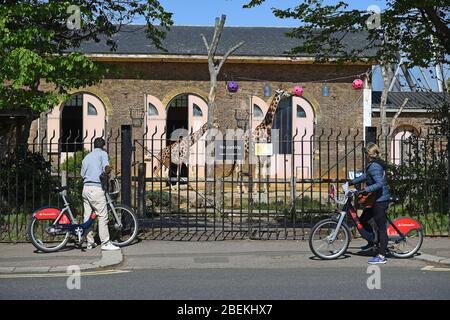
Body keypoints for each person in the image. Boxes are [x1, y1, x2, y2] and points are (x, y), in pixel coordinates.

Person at [349, 142, 391, 264]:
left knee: (381, 228)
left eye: (365, 153)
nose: (364, 155)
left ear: (369, 154)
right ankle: (372, 243)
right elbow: (366, 176)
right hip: (375, 199)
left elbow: (379, 184)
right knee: (363, 220)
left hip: (380, 200)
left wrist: (364, 190)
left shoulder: (375, 166)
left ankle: (382, 256)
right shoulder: (373, 164)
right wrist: (351, 182)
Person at [80, 138, 119, 251]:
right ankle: (105, 243)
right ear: (103, 146)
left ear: (94, 145)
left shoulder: (86, 157)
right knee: (103, 216)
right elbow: (106, 168)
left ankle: (90, 242)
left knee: (87, 217)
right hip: (96, 189)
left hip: (85, 188)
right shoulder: (103, 154)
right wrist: (107, 171)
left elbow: (82, 174)